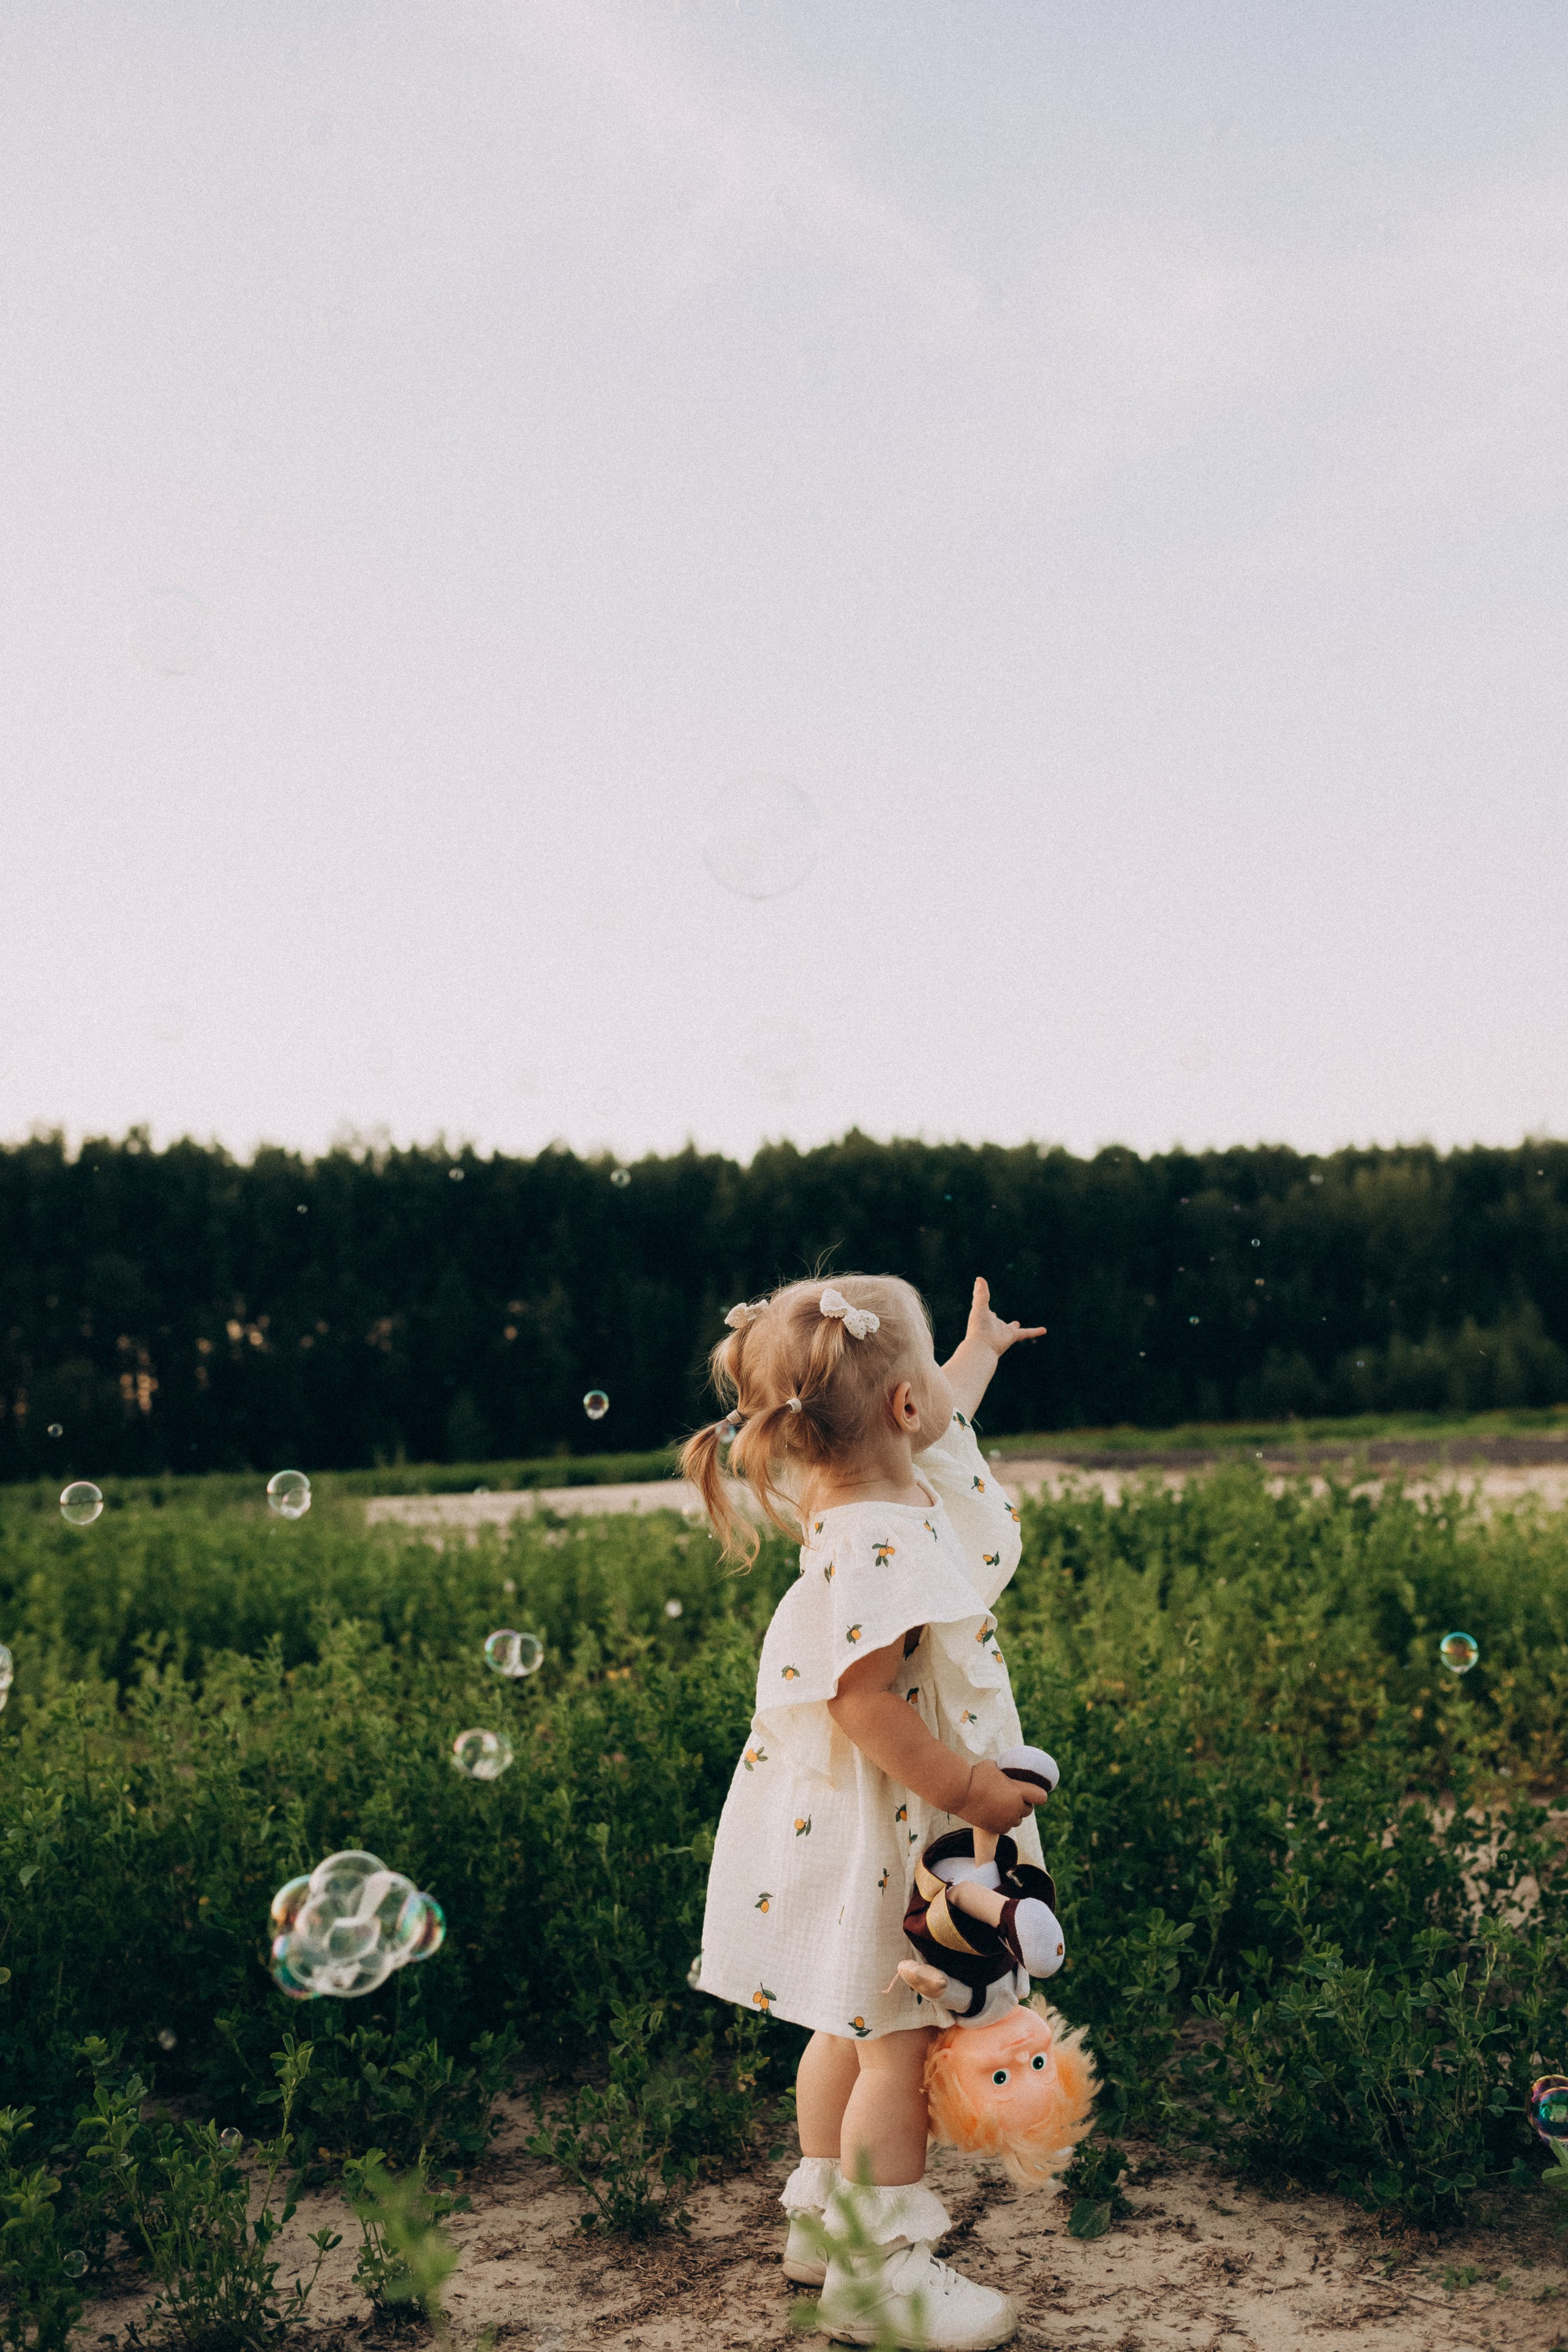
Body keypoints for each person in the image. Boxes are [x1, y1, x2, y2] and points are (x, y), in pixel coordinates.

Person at [681, 1273, 1050, 2352]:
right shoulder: (885, 1538)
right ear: (899, 1408)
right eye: (932, 1371)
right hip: (903, 1822)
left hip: (839, 1825)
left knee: (845, 2021)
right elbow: (862, 1702)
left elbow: (938, 1416)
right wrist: (976, 1792)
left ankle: (821, 2224)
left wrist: (975, 1355)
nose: (944, 1391)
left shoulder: (849, 1483)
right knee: (900, 2043)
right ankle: (878, 2279)